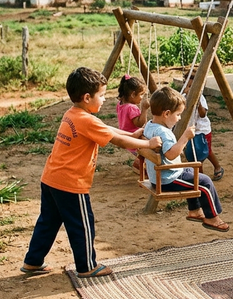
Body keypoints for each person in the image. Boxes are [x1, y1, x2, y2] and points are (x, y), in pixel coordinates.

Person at [20, 67, 162, 278]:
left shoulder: (73, 114)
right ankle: (87, 266)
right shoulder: (86, 120)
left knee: (48, 222)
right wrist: (149, 144)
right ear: (87, 97)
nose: (105, 99)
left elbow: (109, 130)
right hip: (70, 183)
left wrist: (134, 132)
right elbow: (118, 141)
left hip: (51, 178)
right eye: (102, 95)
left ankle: (33, 261)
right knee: (82, 224)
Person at [143, 86, 229, 232]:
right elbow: (171, 154)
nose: (180, 118)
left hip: (157, 176)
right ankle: (212, 217)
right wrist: (185, 137)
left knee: (190, 172)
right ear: (166, 113)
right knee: (205, 182)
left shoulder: (149, 126)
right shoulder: (164, 133)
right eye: (178, 115)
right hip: (167, 179)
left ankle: (194, 210)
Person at [183, 91, 224, 181]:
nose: (190, 89)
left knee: (204, 153)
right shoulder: (182, 97)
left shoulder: (201, 98)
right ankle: (201, 177)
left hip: (202, 131)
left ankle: (202, 176)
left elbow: (202, 114)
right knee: (196, 154)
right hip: (190, 130)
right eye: (189, 86)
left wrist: (198, 102)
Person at [116, 74, 150, 171]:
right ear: (133, 94)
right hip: (135, 136)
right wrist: (144, 109)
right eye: (141, 94)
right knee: (151, 147)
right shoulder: (131, 107)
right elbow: (139, 123)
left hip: (126, 135)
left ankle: (139, 165)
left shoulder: (120, 104)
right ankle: (141, 165)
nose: (142, 97)